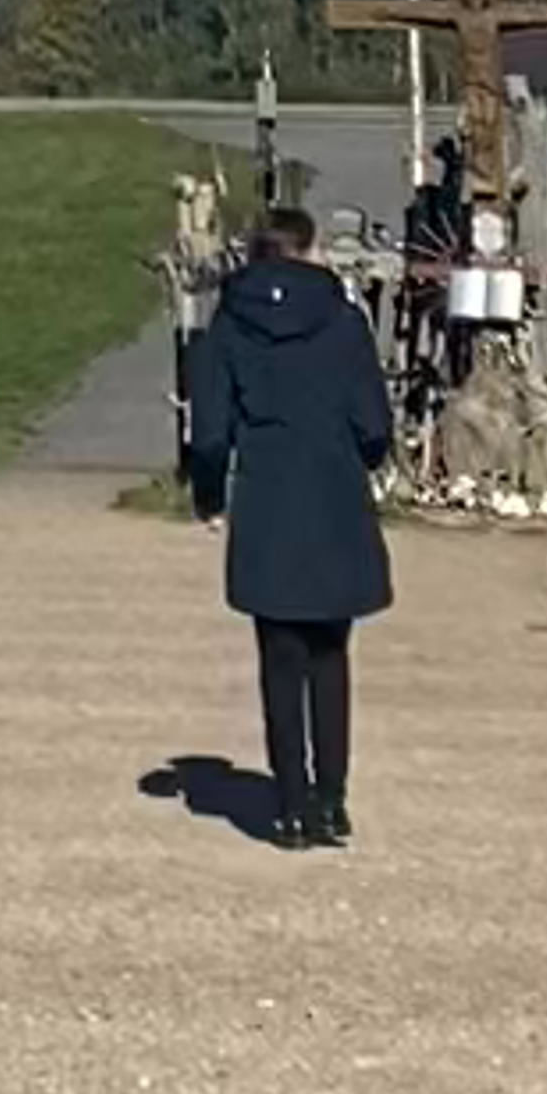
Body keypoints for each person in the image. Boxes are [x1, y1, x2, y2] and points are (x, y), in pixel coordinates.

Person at [184, 199, 394, 847]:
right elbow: (374, 424)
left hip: (268, 493)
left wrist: (209, 496)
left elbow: (211, 431)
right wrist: (364, 457)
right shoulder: (343, 320)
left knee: (279, 657)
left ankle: (292, 803)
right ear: (307, 250)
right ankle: (333, 799)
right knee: (330, 653)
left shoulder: (229, 325)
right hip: (332, 492)